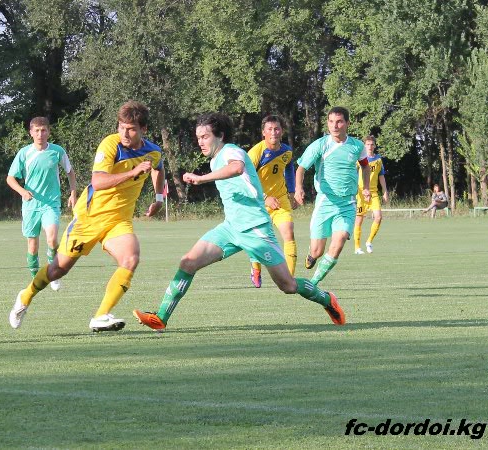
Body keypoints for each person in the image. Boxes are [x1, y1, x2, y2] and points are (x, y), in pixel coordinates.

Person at [132, 112, 345, 331]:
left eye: (205, 137)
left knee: (288, 285)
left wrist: (201, 178)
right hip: (230, 228)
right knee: (188, 262)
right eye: (198, 138)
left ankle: (327, 299)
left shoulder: (231, 151)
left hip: (255, 229)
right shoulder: (215, 160)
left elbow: (237, 168)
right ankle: (161, 317)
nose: (200, 142)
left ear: (220, 136)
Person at [9, 100, 165, 332]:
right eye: (121, 127)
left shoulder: (153, 151)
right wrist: (133, 172)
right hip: (89, 218)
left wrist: (159, 198)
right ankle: (25, 295)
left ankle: (100, 316)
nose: (124, 133)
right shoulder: (111, 145)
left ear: (143, 129)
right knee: (58, 269)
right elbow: (98, 181)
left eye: (131, 129)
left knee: (131, 259)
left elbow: (158, 168)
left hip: (119, 221)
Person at [295, 106, 370, 285]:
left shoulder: (357, 146)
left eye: (339, 122)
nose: (334, 126)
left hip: (347, 203)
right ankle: (312, 255)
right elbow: (301, 168)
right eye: (331, 122)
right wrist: (298, 188)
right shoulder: (320, 145)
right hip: (325, 201)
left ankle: (313, 283)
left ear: (347, 123)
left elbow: (365, 166)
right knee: (317, 251)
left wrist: (366, 187)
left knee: (340, 239)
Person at [6, 117, 77, 291]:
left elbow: (70, 172)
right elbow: (10, 178)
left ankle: (53, 274)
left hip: (51, 204)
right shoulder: (24, 153)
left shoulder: (57, 151)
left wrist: (73, 193)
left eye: (43, 130)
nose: (40, 134)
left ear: (48, 132)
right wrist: (22, 191)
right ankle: (36, 279)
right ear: (31, 132)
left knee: (52, 239)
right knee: (32, 245)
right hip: (30, 206)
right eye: (36, 131)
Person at [245, 115, 297, 288]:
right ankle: (255, 267)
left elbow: (289, 169)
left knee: (289, 233)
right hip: (258, 201)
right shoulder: (255, 153)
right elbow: (245, 179)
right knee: (258, 240)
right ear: (263, 133)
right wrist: (265, 198)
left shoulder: (287, 151)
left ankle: (289, 279)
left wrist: (292, 192)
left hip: (280, 199)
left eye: (277, 129)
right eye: (270, 129)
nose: (273, 132)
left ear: (282, 131)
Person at [353, 135, 388, 254]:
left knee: (378, 217)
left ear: (375, 146)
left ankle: (369, 241)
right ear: (364, 145)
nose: (370, 146)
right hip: (361, 193)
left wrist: (385, 191)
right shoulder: (359, 159)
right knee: (359, 219)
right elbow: (353, 175)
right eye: (367, 144)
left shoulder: (378, 160)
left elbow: (381, 176)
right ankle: (357, 248)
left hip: (373, 193)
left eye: (372, 144)